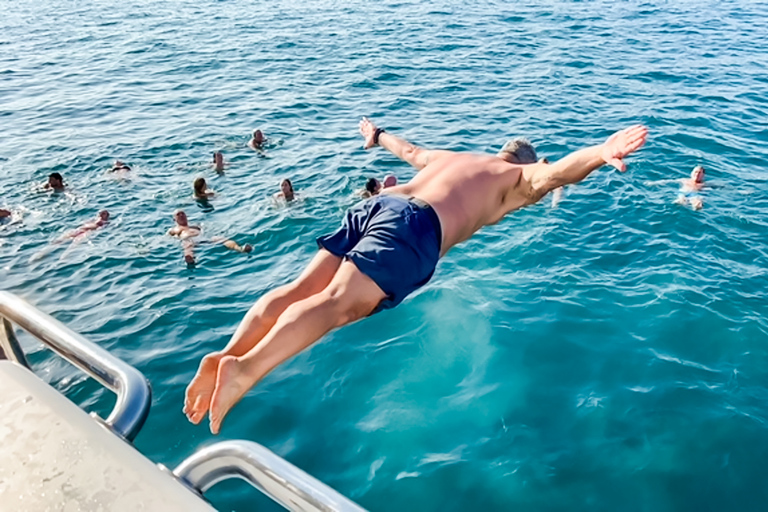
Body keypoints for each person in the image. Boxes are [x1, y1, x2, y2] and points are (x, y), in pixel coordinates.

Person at [184, 116, 648, 434]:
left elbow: (408, 149)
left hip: (378, 206)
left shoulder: (458, 158)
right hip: (416, 227)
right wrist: (600, 151)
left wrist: (376, 133)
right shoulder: (516, 181)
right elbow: (556, 175)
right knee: (337, 306)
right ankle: (243, 371)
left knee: (301, 290)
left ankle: (226, 354)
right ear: (524, 162)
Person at [167, 210, 252, 265]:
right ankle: (190, 260)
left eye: (183, 213)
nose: (181, 215)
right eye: (178, 214)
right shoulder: (174, 229)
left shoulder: (195, 226)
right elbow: (169, 237)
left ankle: (240, 249)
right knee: (188, 246)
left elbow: (204, 230)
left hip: (202, 238)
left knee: (221, 239)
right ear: (174, 219)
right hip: (188, 239)